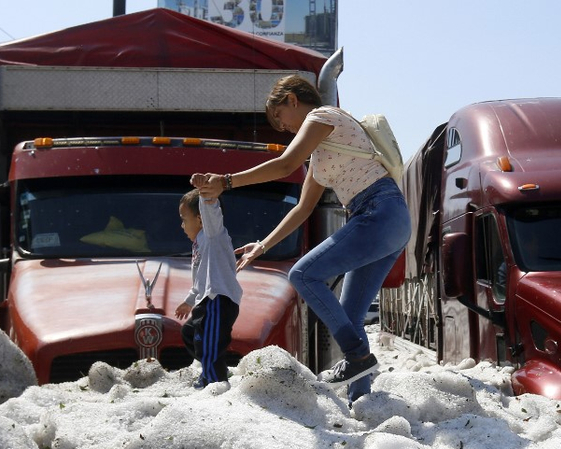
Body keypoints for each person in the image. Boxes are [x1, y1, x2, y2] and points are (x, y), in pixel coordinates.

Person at [190, 74, 411, 404]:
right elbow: (302, 209)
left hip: (378, 211)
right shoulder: (321, 157)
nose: (284, 129)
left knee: (303, 274)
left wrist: (227, 181)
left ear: (292, 99)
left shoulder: (322, 116)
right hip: (387, 220)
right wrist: (263, 244)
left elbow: (284, 165)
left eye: (280, 118)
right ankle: (361, 403)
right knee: (349, 319)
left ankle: (360, 357)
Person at [175, 189, 242, 389]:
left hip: (218, 300)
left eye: (184, 219)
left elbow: (211, 212)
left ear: (200, 218)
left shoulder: (212, 235)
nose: (182, 225)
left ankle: (213, 383)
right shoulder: (199, 243)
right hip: (205, 299)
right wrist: (189, 301)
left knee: (209, 344)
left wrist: (207, 194)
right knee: (189, 333)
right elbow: (200, 280)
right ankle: (216, 368)